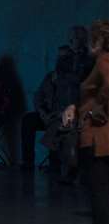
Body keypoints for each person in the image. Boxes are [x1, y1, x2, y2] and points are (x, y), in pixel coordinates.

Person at [64, 20, 109, 224]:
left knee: (98, 190)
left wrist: (94, 113)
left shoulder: (103, 61)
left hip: (99, 136)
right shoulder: (99, 62)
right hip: (98, 135)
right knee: (99, 190)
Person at [25, 47, 81, 179]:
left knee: (58, 125)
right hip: (46, 113)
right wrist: (41, 111)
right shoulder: (50, 76)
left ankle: (56, 165)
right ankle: (27, 161)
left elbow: (71, 101)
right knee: (28, 120)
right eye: (59, 57)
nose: (60, 60)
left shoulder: (74, 78)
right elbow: (38, 96)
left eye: (64, 58)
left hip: (62, 115)